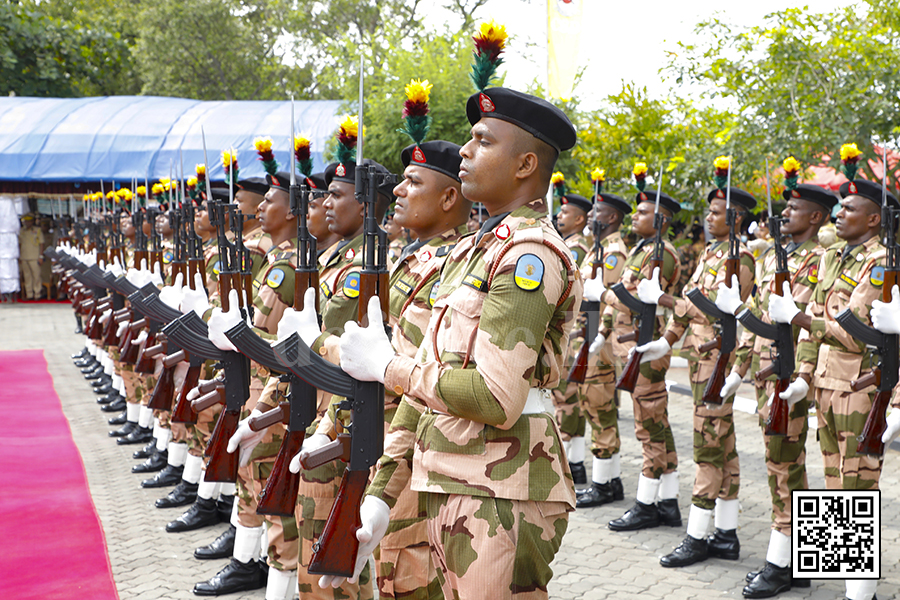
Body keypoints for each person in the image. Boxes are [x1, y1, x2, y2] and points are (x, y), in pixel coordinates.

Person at [336, 85, 582, 600]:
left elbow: (496, 395)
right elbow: (427, 384)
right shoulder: (473, 252)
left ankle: (796, 561)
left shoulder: (527, 255)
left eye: (483, 141)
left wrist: (389, 368)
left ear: (524, 165)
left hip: (502, 492)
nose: (465, 151)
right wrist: (382, 492)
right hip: (453, 478)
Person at [769, 177, 898, 600]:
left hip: (858, 389)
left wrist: (798, 319)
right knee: (834, 490)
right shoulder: (834, 258)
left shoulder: (880, 264)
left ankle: (861, 594)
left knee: (856, 488)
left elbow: (857, 333)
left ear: (875, 219)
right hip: (825, 384)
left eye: (850, 209)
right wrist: (803, 376)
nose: (839, 214)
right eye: (839, 208)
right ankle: (852, 589)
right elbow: (813, 326)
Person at [717, 180, 835, 598]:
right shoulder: (773, 259)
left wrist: (801, 374)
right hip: (774, 374)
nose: (784, 214)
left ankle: (783, 563)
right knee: (784, 466)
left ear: (817, 217)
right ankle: (797, 563)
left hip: (799, 375)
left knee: (788, 467)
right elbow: (764, 326)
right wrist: (740, 368)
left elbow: (811, 321)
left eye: (795, 209)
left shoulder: (824, 261)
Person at [636, 181, 756, 568]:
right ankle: (726, 534)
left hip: (718, 362)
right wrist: (668, 340)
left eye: (717, 213)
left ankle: (697, 536)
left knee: (707, 448)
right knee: (724, 447)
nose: (708, 217)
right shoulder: (713, 253)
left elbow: (726, 314)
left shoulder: (743, 260)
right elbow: (691, 305)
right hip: (701, 361)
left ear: (736, 218)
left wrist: (664, 300)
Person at [592, 191, 683, 520]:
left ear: (661, 220)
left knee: (649, 428)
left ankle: (646, 505)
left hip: (648, 346)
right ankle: (668, 503)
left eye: (643, 212)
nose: (634, 215)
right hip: (632, 346)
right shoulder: (643, 250)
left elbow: (638, 298)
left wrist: (602, 294)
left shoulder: (663, 254)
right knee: (657, 424)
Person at [568, 190, 630, 506]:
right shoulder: (599, 248)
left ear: (612, 217)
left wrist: (600, 337)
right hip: (589, 333)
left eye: (598, 212)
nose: (592, 216)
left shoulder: (614, 252)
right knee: (591, 406)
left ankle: (604, 485)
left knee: (600, 407)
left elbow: (610, 299)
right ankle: (609, 480)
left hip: (600, 339)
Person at [551, 190, 595, 483]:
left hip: (575, 330)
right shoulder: (571, 244)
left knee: (566, 398)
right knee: (568, 398)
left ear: (580, 219)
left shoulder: (575, 247)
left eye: (565, 213)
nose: (559, 216)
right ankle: (574, 464)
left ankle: (568, 464)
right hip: (575, 330)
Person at [18, 213, 43, 300]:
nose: (27, 223)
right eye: (25, 222)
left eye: (28, 221)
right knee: (27, 276)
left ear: (32, 221)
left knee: (36, 276)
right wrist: (19, 256)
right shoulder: (21, 231)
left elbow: (41, 244)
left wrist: (41, 256)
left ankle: (37, 293)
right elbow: (19, 244)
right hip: (24, 256)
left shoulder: (37, 230)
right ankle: (29, 294)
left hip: (35, 256)